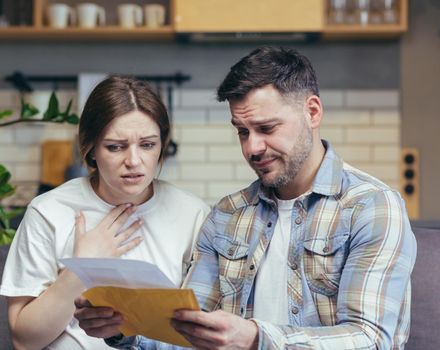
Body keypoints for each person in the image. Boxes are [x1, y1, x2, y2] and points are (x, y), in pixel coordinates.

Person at [76, 46, 417, 349]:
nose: (252, 147)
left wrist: (256, 339)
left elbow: (370, 340)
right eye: (242, 132)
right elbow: (188, 331)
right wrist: (124, 329)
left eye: (267, 129)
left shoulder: (371, 207)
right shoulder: (227, 215)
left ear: (312, 113)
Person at [0, 75, 210, 350]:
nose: (134, 161)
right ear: (92, 150)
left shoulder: (193, 214)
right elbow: (25, 340)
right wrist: (81, 268)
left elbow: (205, 329)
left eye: (147, 145)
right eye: (115, 147)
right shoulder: (48, 211)